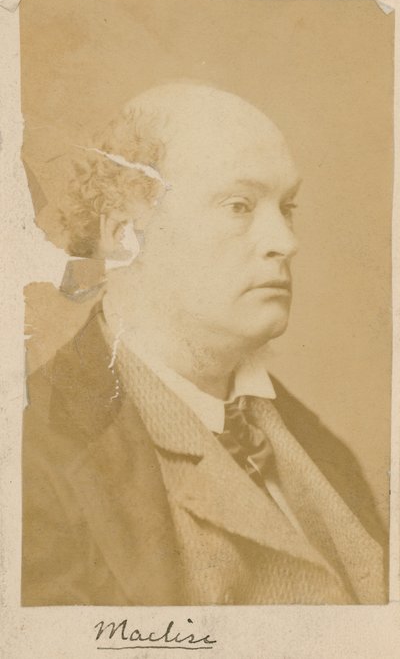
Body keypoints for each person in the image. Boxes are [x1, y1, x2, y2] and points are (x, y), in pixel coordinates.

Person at [22, 83, 387, 606]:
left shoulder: (318, 447)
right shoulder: (32, 457)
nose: (286, 242)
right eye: (239, 206)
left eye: (287, 207)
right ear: (124, 235)